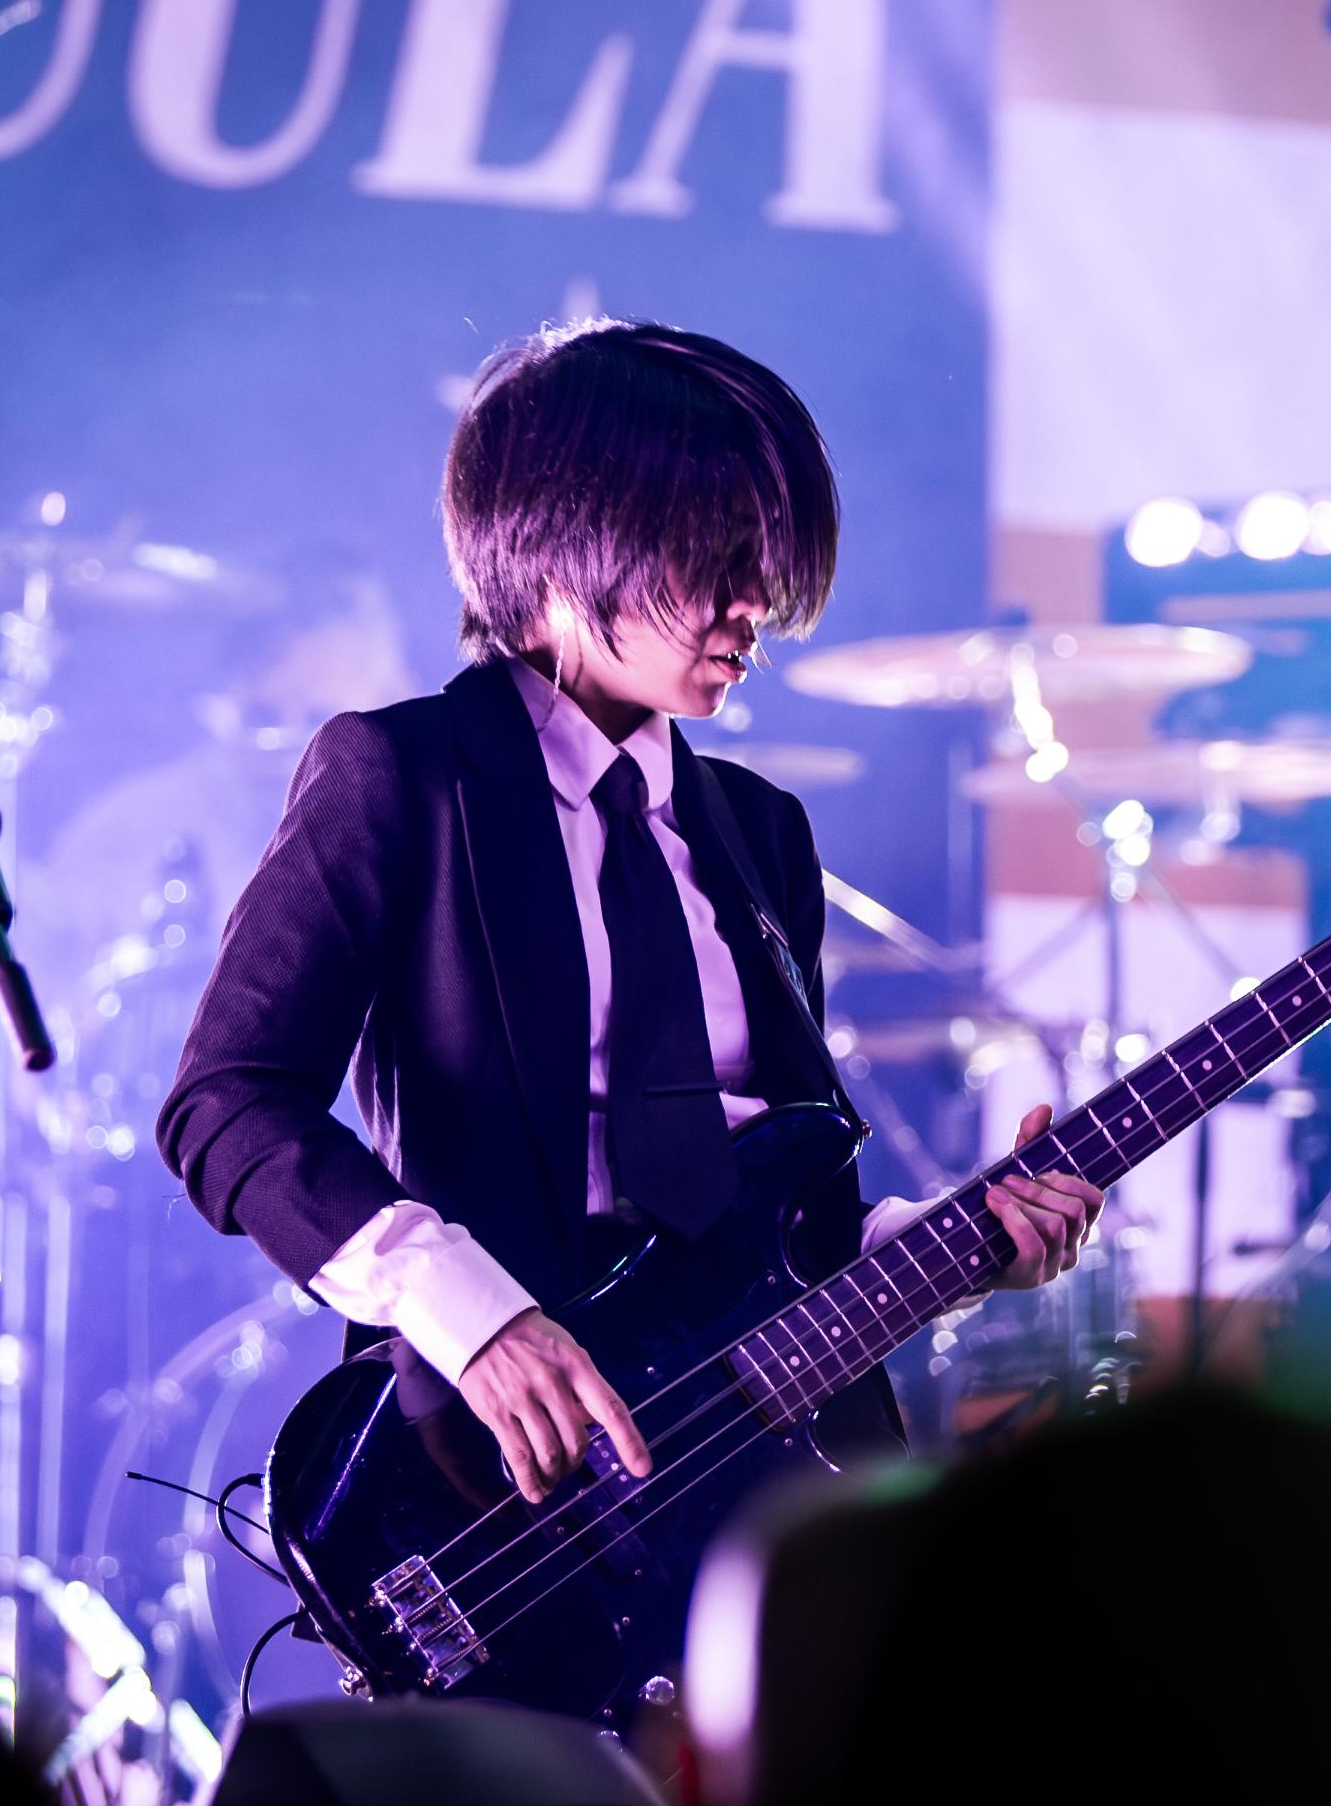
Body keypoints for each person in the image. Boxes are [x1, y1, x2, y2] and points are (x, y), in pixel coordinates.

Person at [156, 320, 1098, 1504]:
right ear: (566, 541)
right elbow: (226, 1105)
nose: (757, 601)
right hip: (503, 1484)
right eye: (719, 554)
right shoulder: (402, 778)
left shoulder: (760, 832)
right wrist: (468, 1315)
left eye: (770, 559)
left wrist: (955, 1244)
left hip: (767, 1461)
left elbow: (785, 1225)